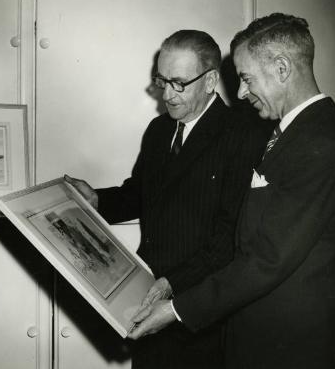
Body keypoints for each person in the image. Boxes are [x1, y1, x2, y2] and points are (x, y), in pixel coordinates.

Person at [127, 13, 335, 369]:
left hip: (291, 346)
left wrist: (177, 309)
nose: (240, 92)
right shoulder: (290, 134)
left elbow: (267, 258)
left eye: (245, 78)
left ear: (282, 69)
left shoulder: (321, 141)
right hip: (261, 337)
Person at [66, 29, 270, 368]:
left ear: (210, 81)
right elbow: (139, 194)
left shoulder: (243, 133)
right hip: (147, 297)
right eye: (162, 81)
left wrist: (172, 284)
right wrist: (97, 200)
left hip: (200, 313)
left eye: (179, 83)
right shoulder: (159, 130)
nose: (168, 95)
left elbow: (228, 237)